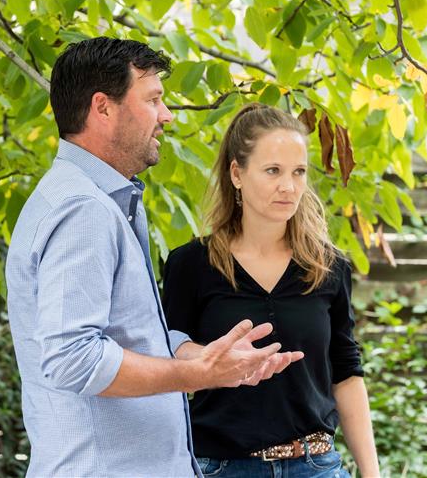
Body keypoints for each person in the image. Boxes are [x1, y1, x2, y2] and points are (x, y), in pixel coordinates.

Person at [6, 38, 302, 478]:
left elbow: (128, 339)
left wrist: (206, 358)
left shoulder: (99, 200)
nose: (165, 116)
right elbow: (73, 357)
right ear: (102, 108)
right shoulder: (83, 209)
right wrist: (196, 375)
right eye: (153, 100)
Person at [162, 103, 380, 477]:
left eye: (298, 172)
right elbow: (166, 356)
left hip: (316, 466)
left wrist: (372, 474)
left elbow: (346, 373)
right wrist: (211, 358)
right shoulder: (190, 264)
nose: (288, 187)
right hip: (220, 467)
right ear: (237, 173)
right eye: (273, 171)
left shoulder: (328, 267)